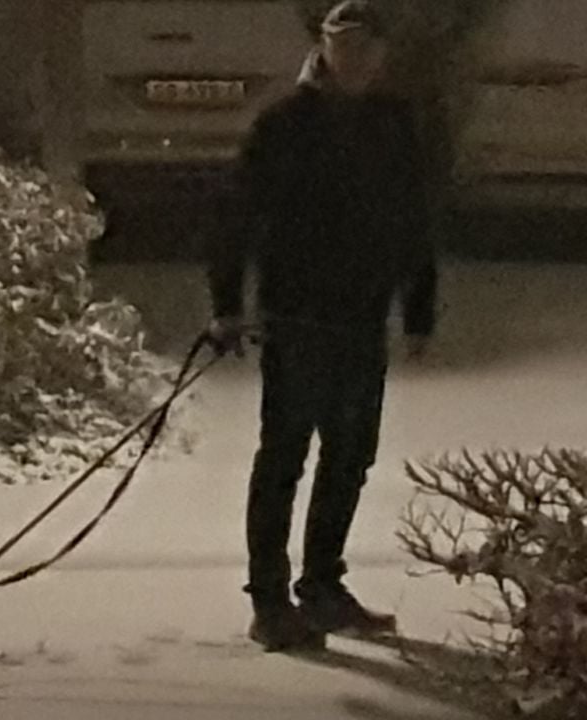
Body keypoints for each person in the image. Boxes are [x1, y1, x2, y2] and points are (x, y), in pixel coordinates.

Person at [204, 0, 438, 652]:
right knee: (284, 457)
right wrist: (227, 302)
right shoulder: (283, 123)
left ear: (383, 54)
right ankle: (270, 600)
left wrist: (418, 309)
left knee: (349, 457)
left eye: (368, 48)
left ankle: (323, 586)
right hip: (295, 316)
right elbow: (235, 216)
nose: (358, 60)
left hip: (362, 319)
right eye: (346, 46)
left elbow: (413, 220)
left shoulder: (393, 123)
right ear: (327, 50)